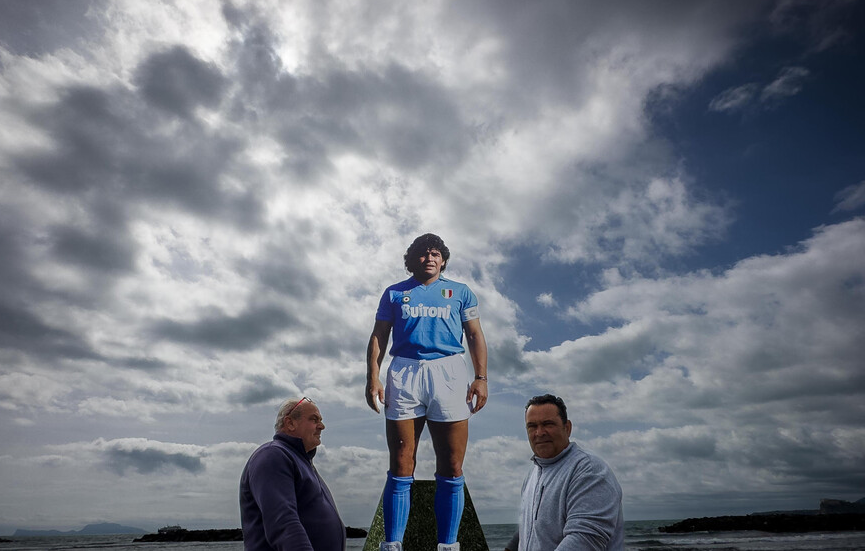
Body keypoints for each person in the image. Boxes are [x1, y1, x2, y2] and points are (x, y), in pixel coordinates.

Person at [365, 233, 489, 551]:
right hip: (405, 371)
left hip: (448, 370)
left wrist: (481, 378)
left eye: (435, 253)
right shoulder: (394, 293)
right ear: (413, 260)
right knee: (402, 461)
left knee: (451, 463)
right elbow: (379, 334)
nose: (429, 258)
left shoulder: (460, 292)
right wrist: (373, 378)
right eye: (423, 253)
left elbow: (474, 335)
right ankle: (392, 545)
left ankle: (447, 545)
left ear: (443, 259)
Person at [506, 394, 624, 551]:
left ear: (567, 428)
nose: (539, 433)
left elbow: (584, 540)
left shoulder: (589, 470)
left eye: (548, 424)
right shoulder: (532, 474)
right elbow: (533, 529)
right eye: (532, 426)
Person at [239, 397, 346, 551]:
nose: (322, 426)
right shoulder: (273, 455)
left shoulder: (302, 462)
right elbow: (283, 523)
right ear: (290, 423)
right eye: (314, 419)